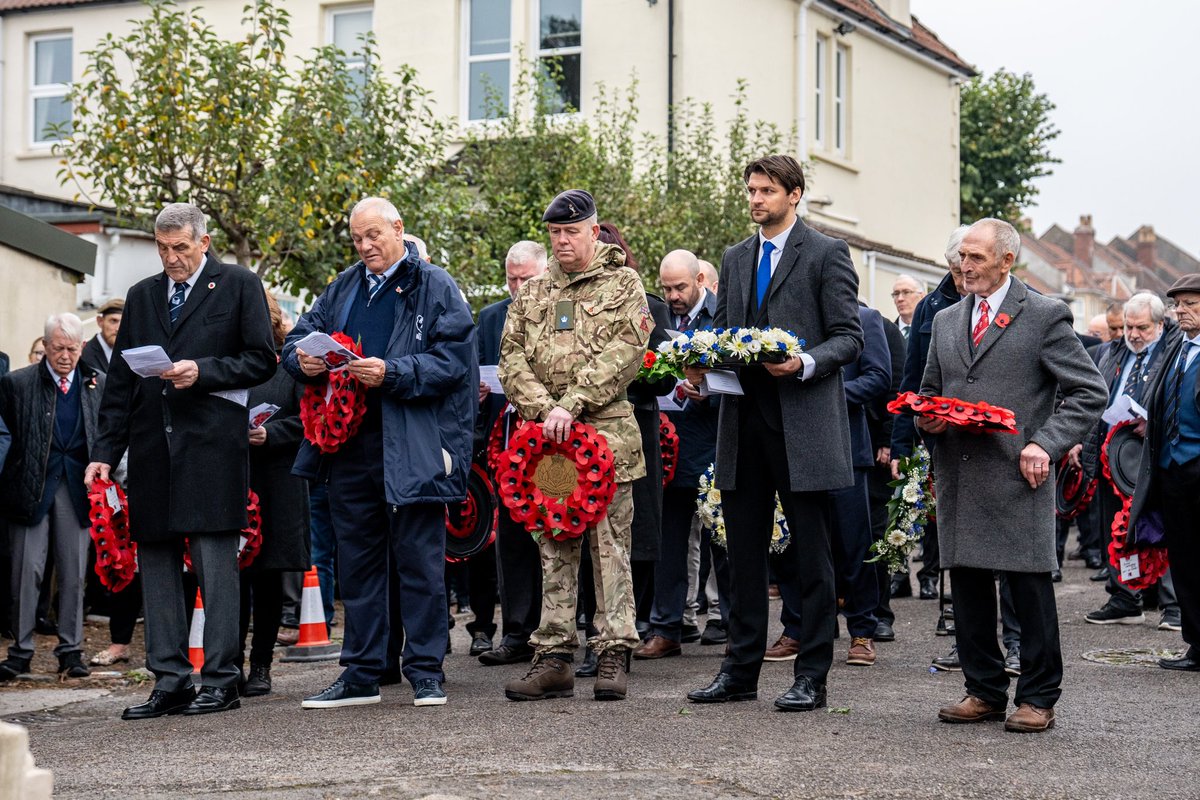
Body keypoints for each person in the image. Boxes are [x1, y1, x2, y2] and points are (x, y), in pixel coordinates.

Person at [685, 154, 863, 712]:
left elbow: (848, 336)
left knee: (811, 558)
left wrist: (803, 363)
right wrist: (699, 368)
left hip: (803, 425)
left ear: (795, 194)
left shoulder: (828, 253)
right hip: (742, 425)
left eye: (766, 190)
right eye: (751, 190)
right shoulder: (736, 257)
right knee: (741, 557)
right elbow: (722, 334)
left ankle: (812, 676)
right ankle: (739, 672)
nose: (756, 199)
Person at [86, 202, 276, 719]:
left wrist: (203, 371)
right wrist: (104, 453)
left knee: (216, 569)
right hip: (152, 451)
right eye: (163, 248)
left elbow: (262, 359)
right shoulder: (143, 296)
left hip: (211, 449)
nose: (171, 258)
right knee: (157, 566)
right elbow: (121, 383)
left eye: (181, 248)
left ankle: (221, 679)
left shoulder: (238, 285)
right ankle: (169, 681)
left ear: (204, 243)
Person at [285, 197, 477, 709]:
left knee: (420, 563)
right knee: (359, 565)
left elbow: (454, 362)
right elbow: (298, 336)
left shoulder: (435, 285)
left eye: (373, 235)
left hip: (412, 446)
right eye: (357, 238)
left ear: (398, 228)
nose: (365, 246)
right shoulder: (344, 286)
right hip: (349, 448)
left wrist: (392, 372)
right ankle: (361, 673)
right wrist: (302, 360)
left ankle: (426, 670)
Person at [921, 218, 1105, 734]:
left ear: (1007, 260)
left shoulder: (1044, 314)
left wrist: (1045, 442)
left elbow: (1089, 391)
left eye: (976, 257)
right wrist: (926, 418)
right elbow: (930, 391)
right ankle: (983, 690)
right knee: (969, 588)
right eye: (962, 256)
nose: (965, 266)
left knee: (1028, 588)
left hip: (1019, 474)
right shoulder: (946, 320)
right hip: (960, 474)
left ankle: (1039, 697)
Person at [498, 189, 650, 702]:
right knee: (554, 544)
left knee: (610, 549)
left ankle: (612, 652)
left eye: (571, 231)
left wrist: (574, 402)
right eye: (555, 233)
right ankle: (555, 658)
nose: (562, 241)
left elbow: (628, 350)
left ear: (593, 230)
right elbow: (510, 357)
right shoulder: (534, 291)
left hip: (606, 438)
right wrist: (546, 409)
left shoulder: (622, 283)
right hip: (550, 443)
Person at [0, 314, 109, 681]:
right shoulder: (17, 383)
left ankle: (71, 650)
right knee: (25, 571)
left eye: (72, 349)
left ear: (82, 347)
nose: (65, 356)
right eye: (58, 348)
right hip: (29, 487)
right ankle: (20, 651)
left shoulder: (97, 383)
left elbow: (105, 432)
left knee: (74, 573)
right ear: (45, 346)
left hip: (77, 489)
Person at [636, 249, 722, 660]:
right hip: (668, 446)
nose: (672, 296)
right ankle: (666, 627)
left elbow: (742, 374)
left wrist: (708, 389)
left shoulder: (723, 316)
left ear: (700, 281)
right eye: (667, 288)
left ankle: (734, 627)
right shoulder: (655, 317)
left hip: (713, 442)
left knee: (723, 541)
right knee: (668, 542)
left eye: (680, 287)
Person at [1076, 293, 1180, 628]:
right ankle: (1124, 598)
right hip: (1112, 457)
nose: (1133, 334)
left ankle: (1173, 605)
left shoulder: (1176, 351)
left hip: (1154, 457)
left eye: (1142, 328)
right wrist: (1079, 442)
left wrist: (1154, 421)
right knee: (1115, 529)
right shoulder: (1109, 351)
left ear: (1160, 325)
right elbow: (1091, 397)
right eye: (1129, 327)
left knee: (1162, 528)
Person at [476, 241, 548, 666]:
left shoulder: (562, 310)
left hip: (553, 442)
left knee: (555, 538)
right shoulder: (490, 319)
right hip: (506, 445)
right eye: (512, 279)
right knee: (513, 543)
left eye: (527, 278)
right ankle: (517, 631)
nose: (519, 287)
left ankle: (558, 632)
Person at [889, 227, 969, 600]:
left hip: (985, 434)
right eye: (956, 270)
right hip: (937, 434)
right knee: (936, 513)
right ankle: (945, 600)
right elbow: (912, 382)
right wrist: (900, 444)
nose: (964, 279)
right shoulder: (931, 306)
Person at [238, 292, 311, 697]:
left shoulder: (291, 366)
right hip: (233, 478)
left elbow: (307, 420)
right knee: (231, 579)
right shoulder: (231, 364)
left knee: (266, 577)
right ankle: (229, 663)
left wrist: (271, 433)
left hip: (276, 481)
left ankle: (261, 665)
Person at [1128, 275, 1200, 671]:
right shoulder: (1178, 349)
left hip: (1196, 463)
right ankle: (1196, 645)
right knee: (1185, 562)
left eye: (1190, 303)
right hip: (1172, 470)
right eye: (1178, 304)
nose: (1181, 311)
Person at [80, 298, 124, 375]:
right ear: (100, 321)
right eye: (113, 321)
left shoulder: (128, 353)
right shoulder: (84, 353)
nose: (118, 329)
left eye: (123, 323)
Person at [890, 275, 926, 339]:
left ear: (922, 296)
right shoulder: (886, 333)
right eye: (896, 293)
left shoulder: (933, 329)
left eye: (906, 292)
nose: (900, 299)